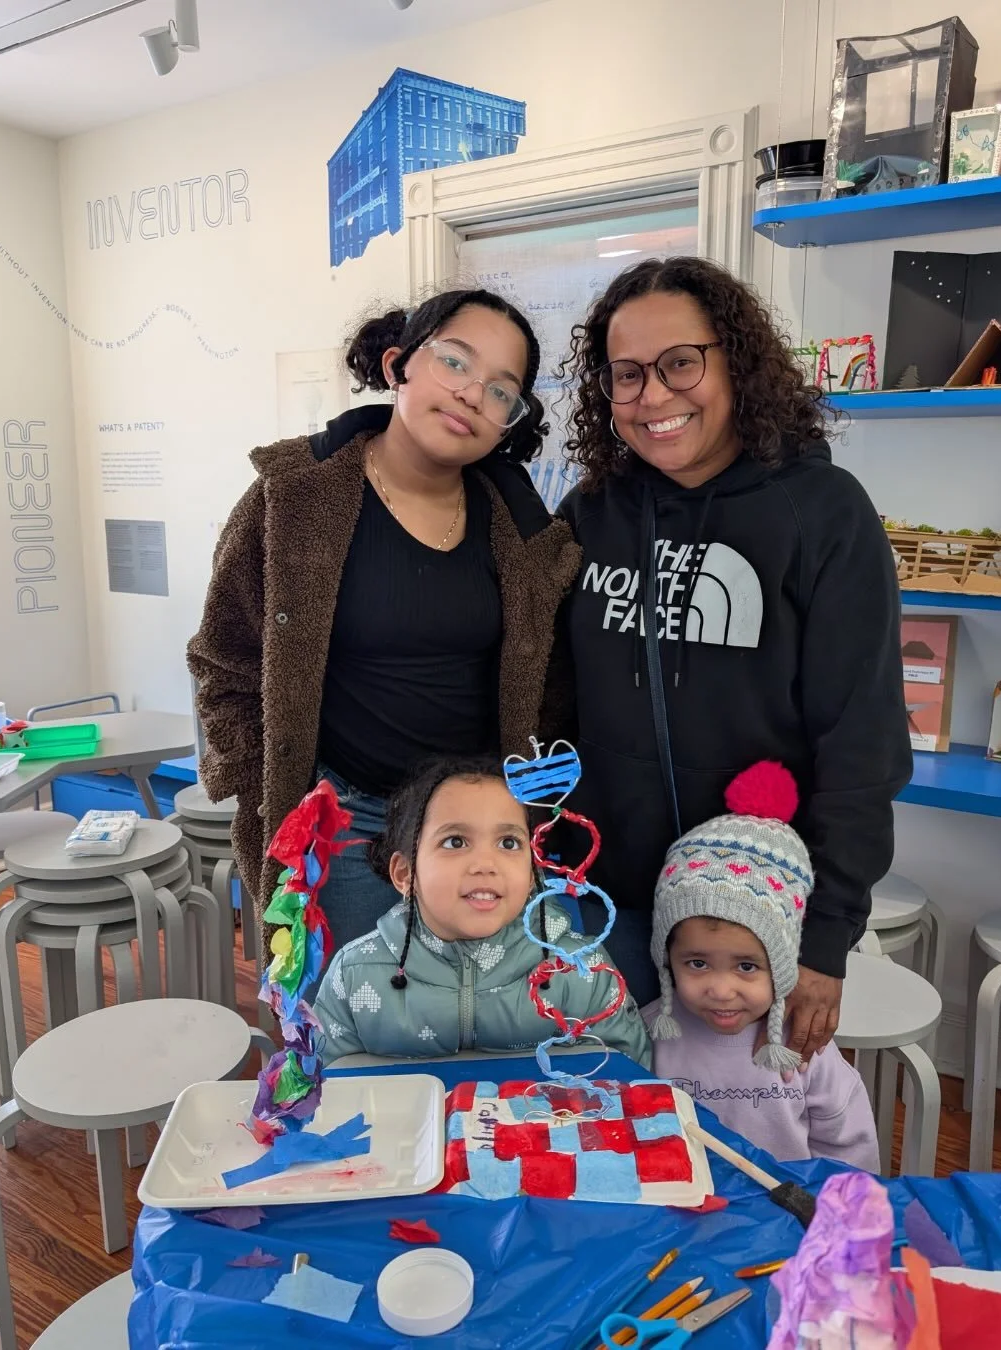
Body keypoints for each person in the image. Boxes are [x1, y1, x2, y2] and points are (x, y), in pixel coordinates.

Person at [555, 255, 912, 1062]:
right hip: (602, 905)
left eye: (681, 362)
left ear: (735, 362)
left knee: (744, 1144)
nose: (654, 395)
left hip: (749, 918)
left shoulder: (824, 513)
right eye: (626, 374)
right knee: (610, 1131)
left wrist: (826, 941)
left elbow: (862, 745)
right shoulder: (591, 514)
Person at [188, 289, 580, 953]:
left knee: (477, 1028)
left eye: (499, 391)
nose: (469, 395)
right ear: (399, 365)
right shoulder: (290, 501)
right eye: (455, 363)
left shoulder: (526, 534)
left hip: (480, 829)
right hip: (346, 828)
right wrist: (255, 784)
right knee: (353, 1036)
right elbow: (223, 659)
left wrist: (531, 816)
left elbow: (549, 694)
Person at [313, 755, 652, 1067]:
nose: (486, 864)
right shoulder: (354, 974)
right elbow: (322, 1091)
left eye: (509, 843)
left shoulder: (582, 970)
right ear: (405, 874)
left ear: (533, 872)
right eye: (455, 842)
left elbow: (632, 1076)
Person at [644, 761, 879, 1171]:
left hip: (785, 1223)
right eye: (697, 962)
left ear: (785, 961)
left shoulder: (804, 1050)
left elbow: (847, 1148)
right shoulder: (647, 1036)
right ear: (667, 958)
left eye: (747, 967)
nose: (720, 989)